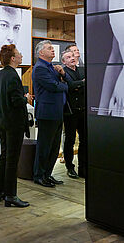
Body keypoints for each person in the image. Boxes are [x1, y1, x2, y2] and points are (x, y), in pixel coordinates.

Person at [0, 44, 31, 207]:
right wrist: (25, 98)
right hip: (13, 122)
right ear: (13, 58)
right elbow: (15, 101)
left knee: (5, 156)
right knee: (12, 159)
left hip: (1, 120)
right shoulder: (13, 75)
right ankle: (11, 195)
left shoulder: (1, 74)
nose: (21, 55)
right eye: (19, 54)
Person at [32, 40, 71, 187]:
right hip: (47, 113)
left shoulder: (53, 67)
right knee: (45, 146)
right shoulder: (40, 68)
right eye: (49, 48)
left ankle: (47, 174)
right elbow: (53, 86)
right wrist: (65, 86)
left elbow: (60, 82)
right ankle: (39, 175)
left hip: (56, 112)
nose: (52, 50)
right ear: (41, 52)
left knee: (55, 147)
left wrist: (62, 78)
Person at [61, 50, 86, 179]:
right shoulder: (63, 72)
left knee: (84, 140)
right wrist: (81, 83)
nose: (72, 58)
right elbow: (70, 86)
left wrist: (78, 85)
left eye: (72, 56)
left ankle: (83, 167)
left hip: (83, 110)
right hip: (70, 111)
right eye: (68, 57)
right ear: (64, 61)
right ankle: (70, 167)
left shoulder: (82, 70)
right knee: (70, 140)